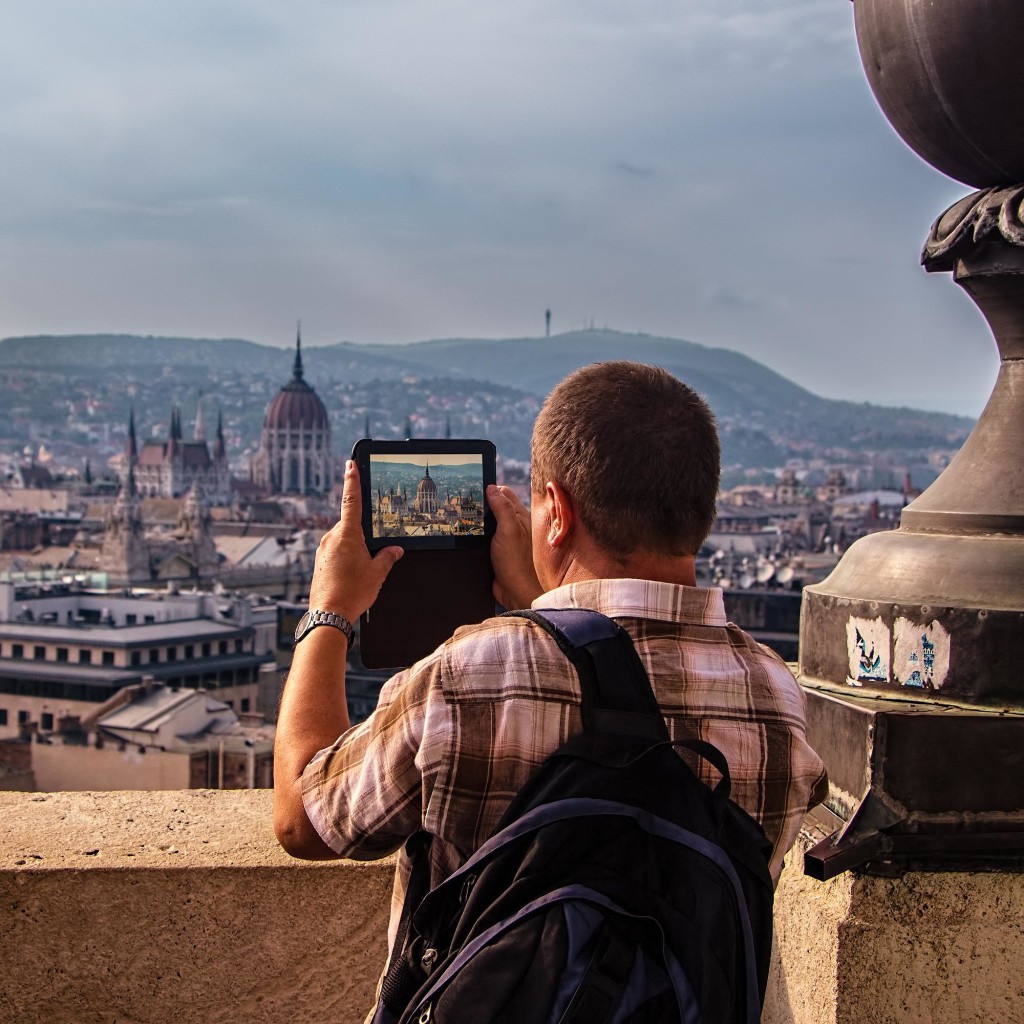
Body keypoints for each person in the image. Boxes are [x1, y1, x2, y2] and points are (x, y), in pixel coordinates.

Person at [273, 361, 828, 974]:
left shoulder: (466, 679)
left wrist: (329, 611)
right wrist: (541, 610)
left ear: (557, 511)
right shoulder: (775, 696)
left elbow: (303, 820)